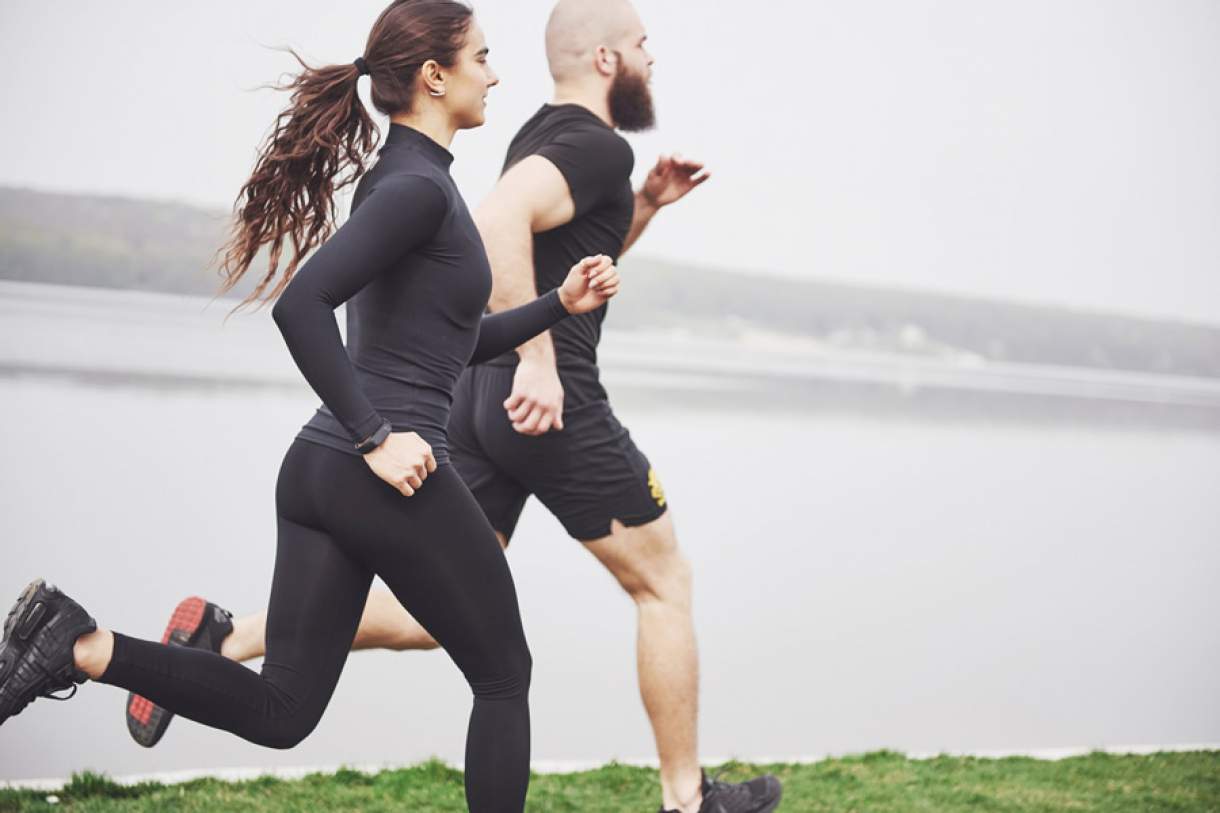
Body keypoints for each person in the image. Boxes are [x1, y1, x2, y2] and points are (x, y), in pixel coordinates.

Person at [125, 1, 781, 811]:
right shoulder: (588, 146)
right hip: (533, 403)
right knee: (655, 584)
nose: (494, 75)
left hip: (455, 405)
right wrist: (529, 366)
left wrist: (625, 225)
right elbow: (490, 226)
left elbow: (472, 298)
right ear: (607, 59)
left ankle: (220, 639)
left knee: (432, 619)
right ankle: (687, 798)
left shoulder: (521, 141)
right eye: (643, 43)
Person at [0, 3, 621, 811]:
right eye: (482, 57)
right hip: (384, 472)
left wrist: (557, 305)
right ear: (434, 76)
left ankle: (78, 642)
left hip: (322, 473)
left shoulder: (408, 182)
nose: (495, 75)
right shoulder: (417, 191)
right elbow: (302, 305)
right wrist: (377, 437)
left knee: (283, 709)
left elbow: (452, 343)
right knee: (505, 674)